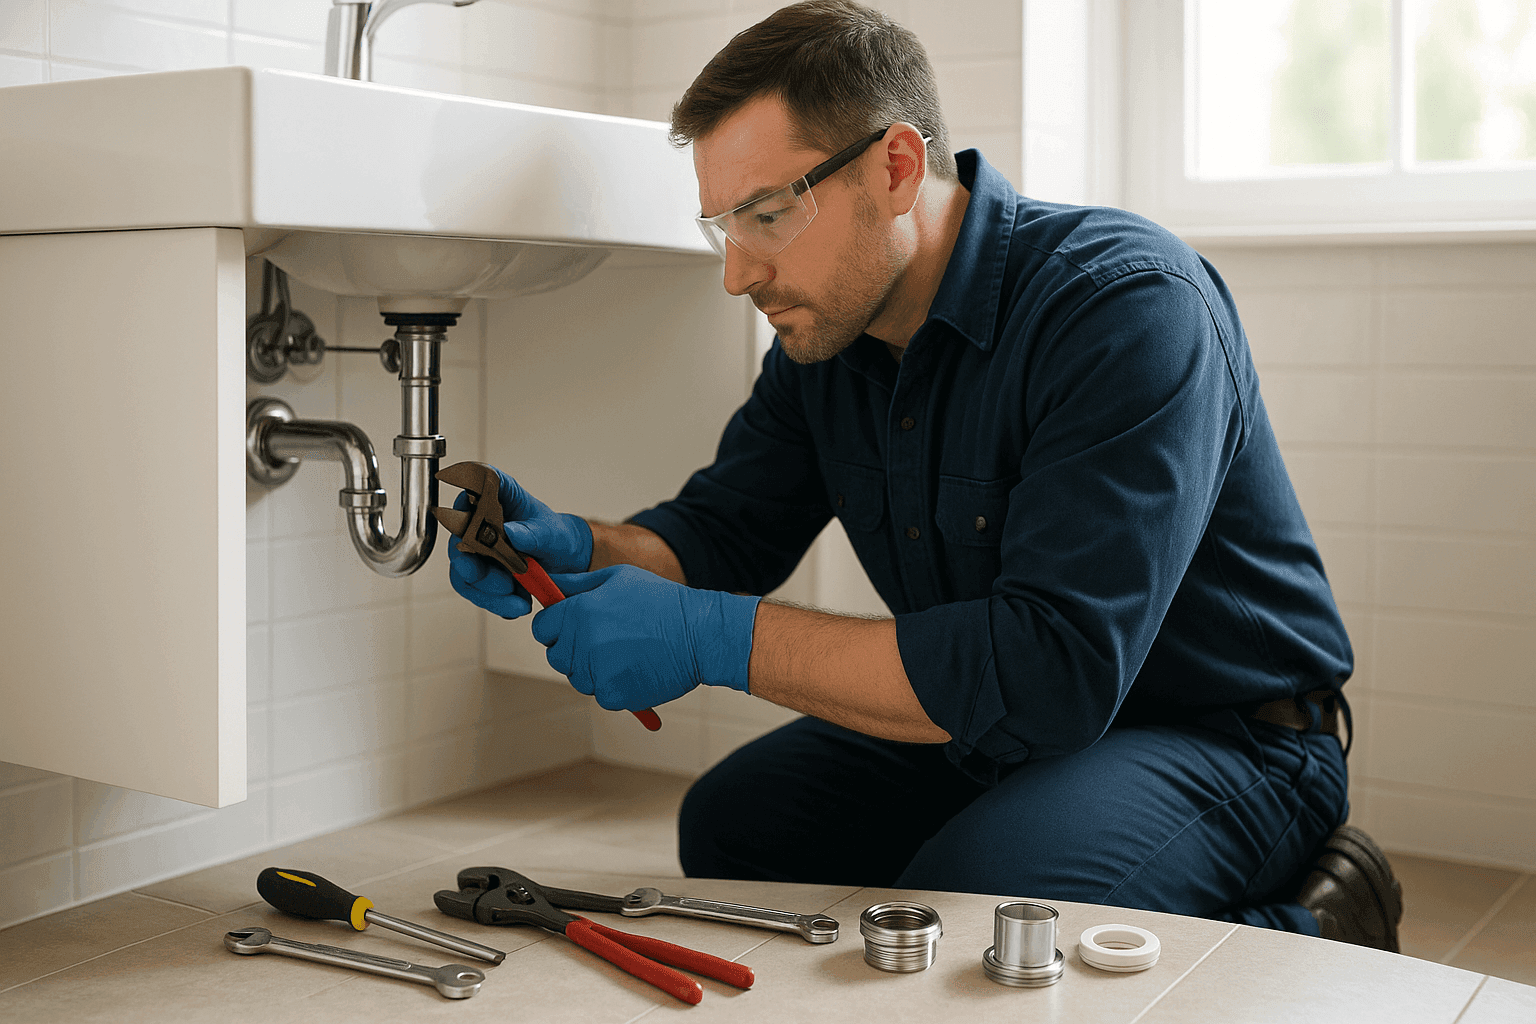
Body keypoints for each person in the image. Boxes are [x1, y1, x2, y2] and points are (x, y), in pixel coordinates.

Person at [448, 0, 1402, 948]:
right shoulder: (829, 341)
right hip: (1001, 727)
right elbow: (719, 535)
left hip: (1226, 735)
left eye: (768, 215)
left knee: (989, 907)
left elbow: (1051, 668)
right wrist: (576, 549)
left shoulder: (1126, 307)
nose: (737, 274)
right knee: (734, 824)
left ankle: (1316, 921)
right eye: (722, 228)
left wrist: (712, 638)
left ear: (896, 168)